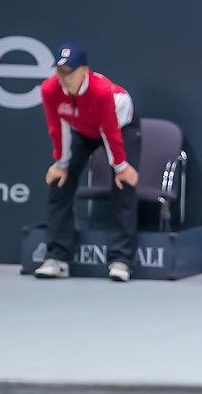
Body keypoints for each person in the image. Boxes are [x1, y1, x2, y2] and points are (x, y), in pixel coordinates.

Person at [33, 42, 141, 282]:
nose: (64, 78)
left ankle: (121, 260)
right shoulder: (50, 89)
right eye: (60, 71)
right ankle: (57, 258)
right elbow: (57, 127)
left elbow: (110, 131)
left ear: (84, 70)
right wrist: (61, 164)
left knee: (123, 183)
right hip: (82, 129)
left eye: (69, 72)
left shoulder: (102, 91)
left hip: (120, 125)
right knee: (61, 181)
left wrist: (120, 167)